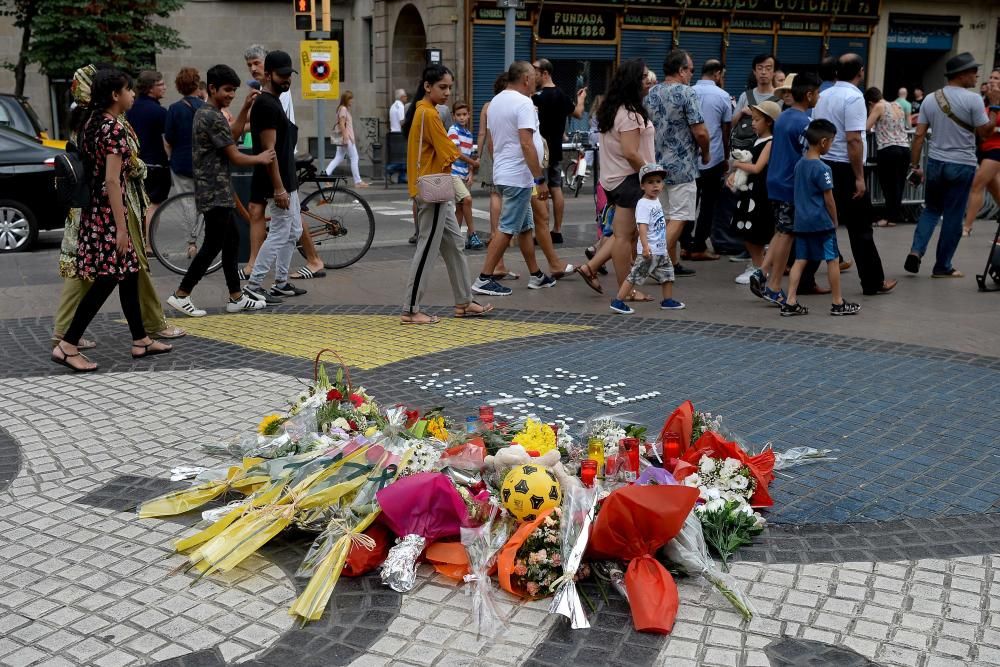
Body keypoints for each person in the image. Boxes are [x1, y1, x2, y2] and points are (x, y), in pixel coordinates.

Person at [53, 64, 186, 351]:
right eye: (128, 89)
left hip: (95, 213)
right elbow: (112, 181)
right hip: (110, 214)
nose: (133, 94)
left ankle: (141, 339)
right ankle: (67, 344)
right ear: (115, 94)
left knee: (127, 275)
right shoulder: (113, 128)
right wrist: (122, 229)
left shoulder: (90, 122)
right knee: (107, 280)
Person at [166, 65, 275, 317]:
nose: (231, 95)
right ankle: (181, 294)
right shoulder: (210, 116)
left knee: (232, 240)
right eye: (227, 90)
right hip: (214, 189)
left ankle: (236, 296)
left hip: (216, 188)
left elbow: (231, 135)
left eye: (235, 91)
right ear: (212, 88)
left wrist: (245, 107)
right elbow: (235, 156)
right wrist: (261, 158)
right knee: (214, 244)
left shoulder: (209, 113)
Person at [400, 64, 490, 323]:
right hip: (434, 189)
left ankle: (464, 301)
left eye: (450, 87)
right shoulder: (429, 114)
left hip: (434, 187)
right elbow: (447, 151)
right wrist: (472, 162)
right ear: (428, 86)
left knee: (454, 245)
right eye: (442, 87)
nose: (447, 92)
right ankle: (410, 309)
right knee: (427, 247)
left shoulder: (423, 111)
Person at [905, 53, 999, 278]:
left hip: (936, 162)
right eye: (973, 72)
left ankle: (916, 251)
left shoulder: (930, 98)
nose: (977, 76)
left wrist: (915, 165)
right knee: (954, 215)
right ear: (962, 74)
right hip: (962, 164)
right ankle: (942, 266)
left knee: (931, 210)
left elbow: (918, 136)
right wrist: (996, 105)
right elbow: (986, 134)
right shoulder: (974, 100)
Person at [472, 61, 557, 297]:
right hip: (519, 176)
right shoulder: (523, 103)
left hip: (506, 173)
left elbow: (491, 140)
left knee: (525, 227)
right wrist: (539, 179)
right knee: (507, 228)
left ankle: (537, 275)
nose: (537, 81)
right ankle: (484, 278)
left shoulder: (496, 101)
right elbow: (526, 143)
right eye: (534, 77)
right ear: (526, 79)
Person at [813, 53, 896, 296]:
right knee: (860, 228)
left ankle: (805, 276)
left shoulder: (823, 95)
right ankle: (872, 281)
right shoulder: (854, 97)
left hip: (823, 162)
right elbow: (853, 139)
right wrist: (859, 177)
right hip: (844, 168)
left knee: (818, 222)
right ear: (860, 71)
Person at [573, 59, 656, 298]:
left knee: (623, 236)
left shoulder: (613, 108)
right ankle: (626, 291)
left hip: (614, 179)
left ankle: (593, 268)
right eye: (643, 77)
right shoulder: (629, 114)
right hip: (629, 179)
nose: (647, 80)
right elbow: (631, 152)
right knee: (623, 239)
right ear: (632, 81)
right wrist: (652, 174)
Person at [751, 72, 823, 305]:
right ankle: (773, 286)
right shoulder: (805, 123)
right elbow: (810, 156)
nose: (819, 98)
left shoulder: (783, 117)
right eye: (817, 93)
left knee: (781, 230)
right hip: (791, 185)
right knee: (787, 233)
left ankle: (761, 272)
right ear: (809, 95)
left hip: (775, 180)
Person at [243, 50, 307, 303]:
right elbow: (270, 152)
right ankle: (254, 284)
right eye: (281, 75)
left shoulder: (273, 101)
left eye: (289, 74)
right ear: (268, 75)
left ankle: (280, 282)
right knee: (281, 232)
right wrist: (279, 188)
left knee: (294, 230)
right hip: (277, 181)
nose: (286, 79)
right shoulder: (267, 104)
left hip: (286, 179)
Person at [781, 119, 861, 317]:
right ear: (824, 142)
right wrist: (834, 220)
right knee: (832, 259)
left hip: (802, 222)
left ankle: (790, 301)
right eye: (832, 141)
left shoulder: (800, 165)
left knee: (800, 260)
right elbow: (829, 199)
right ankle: (837, 302)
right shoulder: (823, 169)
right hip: (821, 222)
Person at [646, 50, 710, 274]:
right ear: (681, 70)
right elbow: (700, 131)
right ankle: (653, 260)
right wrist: (706, 152)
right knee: (680, 217)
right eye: (691, 70)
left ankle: (671, 264)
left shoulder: (651, 92)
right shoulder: (686, 93)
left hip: (655, 164)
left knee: (664, 216)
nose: (692, 74)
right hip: (682, 165)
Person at [609, 164, 685, 314]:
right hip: (649, 250)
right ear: (642, 186)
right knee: (634, 276)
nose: (655, 185)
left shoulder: (656, 201)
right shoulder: (643, 204)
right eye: (650, 182)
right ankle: (618, 301)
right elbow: (642, 227)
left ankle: (667, 300)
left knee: (668, 274)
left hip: (660, 249)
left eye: (658, 181)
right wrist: (644, 247)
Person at [532, 58, 587, 244]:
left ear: (545, 73)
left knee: (542, 190)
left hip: (541, 150)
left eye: (535, 71)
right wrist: (581, 99)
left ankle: (543, 232)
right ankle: (557, 230)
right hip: (555, 149)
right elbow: (578, 113)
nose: (532, 74)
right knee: (555, 188)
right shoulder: (561, 94)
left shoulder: (537, 97)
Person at [729, 101, 777, 284]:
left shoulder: (770, 142)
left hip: (759, 193)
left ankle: (759, 268)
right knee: (748, 232)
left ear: (769, 122)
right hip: (749, 191)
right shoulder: (758, 140)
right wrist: (734, 175)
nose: (753, 123)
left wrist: (737, 165)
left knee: (754, 232)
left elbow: (757, 168)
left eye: (757, 120)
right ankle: (758, 265)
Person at [691, 59, 733, 261]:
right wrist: (725, 157)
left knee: (690, 203)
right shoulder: (723, 96)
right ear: (717, 74)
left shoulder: (689, 92)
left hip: (690, 158)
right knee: (708, 205)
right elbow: (726, 131)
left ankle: (685, 244)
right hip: (713, 158)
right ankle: (699, 245)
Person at [476, 72, 515, 279]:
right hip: (505, 152)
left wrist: (478, 155)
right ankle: (499, 259)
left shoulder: (488, 106)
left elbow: (482, 133)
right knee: (501, 195)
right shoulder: (512, 104)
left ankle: (495, 233)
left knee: (494, 193)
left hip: (490, 153)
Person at [125, 70, 170, 249]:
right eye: (161, 84)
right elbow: (168, 140)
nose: (165, 88)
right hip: (155, 164)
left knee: (141, 206)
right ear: (151, 88)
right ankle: (149, 245)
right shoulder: (159, 111)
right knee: (153, 205)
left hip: (137, 163)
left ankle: (141, 243)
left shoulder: (132, 108)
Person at [163, 67, 204, 257]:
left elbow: (169, 137)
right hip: (204, 163)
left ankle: (191, 242)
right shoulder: (206, 108)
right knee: (205, 202)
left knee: (187, 203)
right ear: (197, 84)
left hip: (181, 163)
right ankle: (205, 239)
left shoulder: (174, 109)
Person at [865, 87, 910, 227]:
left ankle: (887, 217)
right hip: (904, 147)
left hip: (888, 148)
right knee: (898, 185)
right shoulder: (897, 105)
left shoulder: (878, 106)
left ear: (870, 102)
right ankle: (893, 217)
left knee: (888, 185)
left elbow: (866, 126)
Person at [963, 68, 1000, 237]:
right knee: (995, 191)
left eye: (996, 78)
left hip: (997, 149)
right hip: (984, 149)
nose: (992, 80)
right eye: (991, 77)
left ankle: (967, 227)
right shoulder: (987, 100)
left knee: (977, 185)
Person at [447, 101, 484, 250]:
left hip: (463, 174)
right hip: (453, 173)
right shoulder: (453, 130)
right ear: (454, 116)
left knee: (461, 207)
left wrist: (471, 172)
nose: (462, 118)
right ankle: (472, 234)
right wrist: (474, 164)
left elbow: (469, 153)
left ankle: (454, 239)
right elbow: (457, 153)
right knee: (467, 200)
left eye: (464, 114)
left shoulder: (468, 134)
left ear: (468, 115)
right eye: (458, 115)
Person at [731, 54, 778, 151]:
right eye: (760, 68)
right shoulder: (745, 96)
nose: (763, 72)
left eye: (768, 68)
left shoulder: (780, 97)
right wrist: (741, 112)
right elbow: (732, 123)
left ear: (774, 72)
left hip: (770, 151)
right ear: (754, 72)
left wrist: (753, 113)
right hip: (744, 152)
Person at [324, 90, 369, 187]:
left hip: (344, 137)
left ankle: (325, 176)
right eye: (350, 99)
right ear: (346, 99)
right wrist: (346, 137)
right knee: (354, 157)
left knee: (338, 158)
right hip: (346, 137)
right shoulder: (343, 109)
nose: (352, 101)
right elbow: (341, 124)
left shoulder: (341, 108)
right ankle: (358, 182)